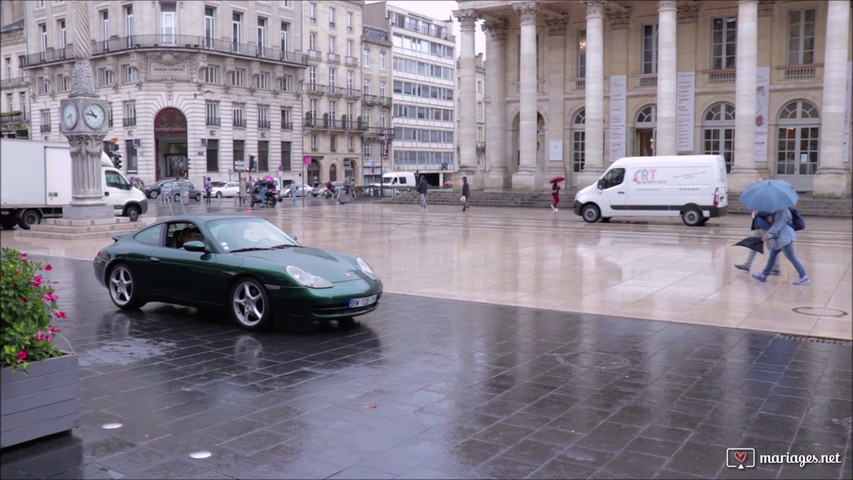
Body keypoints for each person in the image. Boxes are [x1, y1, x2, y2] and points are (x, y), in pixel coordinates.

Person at [751, 207, 809, 285]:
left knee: (791, 257)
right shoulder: (778, 210)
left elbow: (778, 225)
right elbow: (776, 222)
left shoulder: (783, 211)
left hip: (785, 237)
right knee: (772, 256)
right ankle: (764, 275)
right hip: (779, 237)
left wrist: (768, 235)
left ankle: (803, 276)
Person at [735, 209, 780, 275]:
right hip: (758, 225)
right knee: (754, 244)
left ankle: (776, 267)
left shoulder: (769, 200)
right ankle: (747, 264)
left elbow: (771, 210)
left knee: (771, 247)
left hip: (766, 226)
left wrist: (758, 212)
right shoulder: (760, 201)